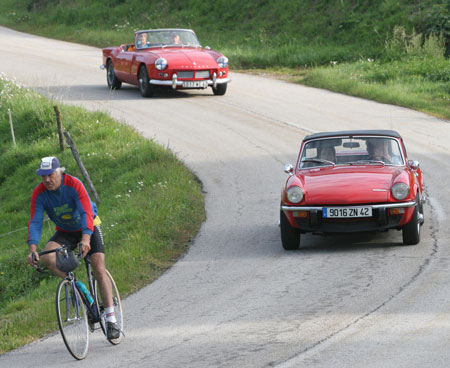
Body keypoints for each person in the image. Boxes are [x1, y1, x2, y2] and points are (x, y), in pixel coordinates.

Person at [26, 157, 120, 340]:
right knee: (48, 257)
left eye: (50, 175)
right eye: (43, 176)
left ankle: (111, 318)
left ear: (59, 172)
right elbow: (35, 221)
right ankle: (78, 288)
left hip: (89, 227)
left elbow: (86, 211)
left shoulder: (74, 184)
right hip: (65, 232)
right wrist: (33, 249)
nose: (46, 180)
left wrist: (85, 238)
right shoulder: (39, 193)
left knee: (98, 266)